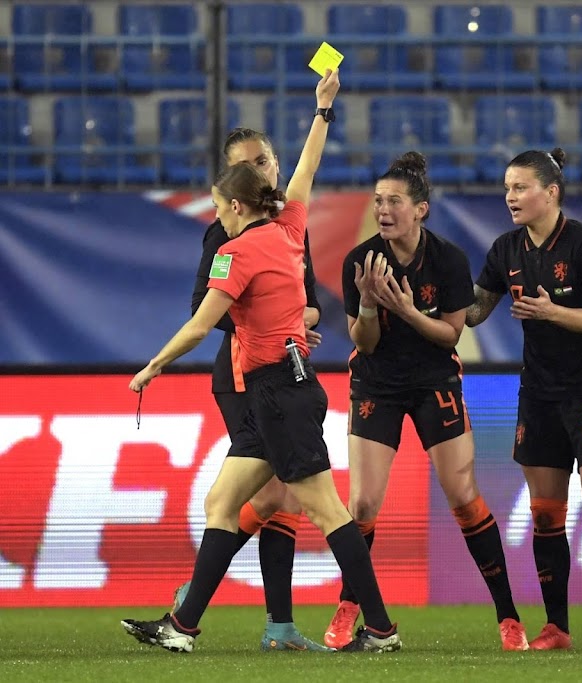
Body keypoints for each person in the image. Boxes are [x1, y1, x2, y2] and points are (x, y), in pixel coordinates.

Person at [121, 69, 401, 654]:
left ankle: (380, 629)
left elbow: (201, 325)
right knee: (223, 502)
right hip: (290, 389)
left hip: (276, 394)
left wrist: (153, 366)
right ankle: (182, 626)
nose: (217, 216)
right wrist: (322, 112)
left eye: (220, 206)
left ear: (236, 204)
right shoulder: (289, 227)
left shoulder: (235, 252)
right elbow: (306, 170)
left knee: (327, 511)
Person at [323, 151, 528, 651]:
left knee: (463, 496)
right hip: (377, 384)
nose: (383, 209)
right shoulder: (361, 261)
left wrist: (408, 311)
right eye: (377, 200)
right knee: (364, 503)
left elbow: (449, 334)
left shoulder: (448, 260)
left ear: (421, 209)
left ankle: (508, 615)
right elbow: (364, 342)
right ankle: (349, 607)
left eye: (394, 200)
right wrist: (370, 305)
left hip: (436, 380)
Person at [465, 148, 582, 650]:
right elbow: (475, 312)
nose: (510, 196)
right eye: (507, 188)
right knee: (546, 513)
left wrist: (550, 312)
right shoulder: (505, 250)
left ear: (551, 192)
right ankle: (557, 628)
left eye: (520, 187)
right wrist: (425, 299)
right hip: (539, 394)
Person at [174, 127, 327, 652]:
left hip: (281, 370)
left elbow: (309, 299)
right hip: (244, 376)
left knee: (278, 498)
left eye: (265, 159)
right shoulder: (226, 230)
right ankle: (225, 602)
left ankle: (254, 616)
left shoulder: (288, 222)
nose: (262, 171)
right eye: (249, 165)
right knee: (274, 495)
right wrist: (266, 321)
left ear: (277, 162)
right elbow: (203, 306)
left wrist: (303, 315)